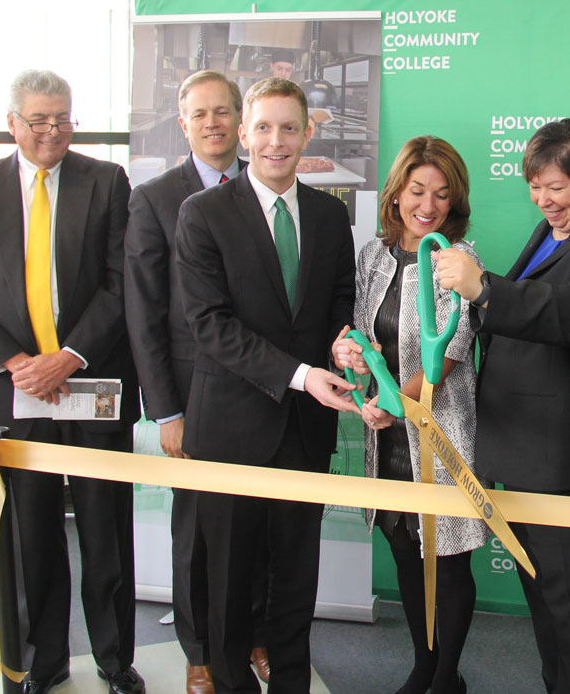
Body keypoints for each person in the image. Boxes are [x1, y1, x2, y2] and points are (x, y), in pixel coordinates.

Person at [436, 118, 570, 693]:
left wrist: (484, 287)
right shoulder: (555, 230)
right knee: (557, 623)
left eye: (557, 188)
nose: (544, 200)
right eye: (536, 187)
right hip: (539, 466)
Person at [174, 77, 358, 693]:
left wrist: (345, 349)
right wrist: (303, 376)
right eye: (263, 128)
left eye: (288, 128)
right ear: (243, 133)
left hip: (305, 432)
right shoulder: (202, 214)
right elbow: (210, 327)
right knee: (227, 583)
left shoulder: (332, 215)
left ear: (308, 133)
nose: (275, 142)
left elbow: (338, 309)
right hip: (229, 431)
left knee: (294, 584)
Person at [0, 69, 144, 694]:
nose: (53, 131)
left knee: (106, 531)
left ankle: (113, 659)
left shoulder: (106, 181)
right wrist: (15, 361)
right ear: (12, 122)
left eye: (64, 118)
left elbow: (118, 280)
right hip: (11, 388)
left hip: (90, 382)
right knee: (27, 535)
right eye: (40, 120)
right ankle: (39, 664)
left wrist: (68, 356)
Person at [125, 70, 273, 692]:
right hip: (193, 395)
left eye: (223, 112)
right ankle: (201, 651)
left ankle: (255, 636)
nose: (212, 123)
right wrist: (166, 411)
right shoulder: (157, 197)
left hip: (264, 391)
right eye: (200, 114)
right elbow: (144, 311)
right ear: (182, 123)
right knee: (198, 532)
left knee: (260, 525)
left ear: (239, 122)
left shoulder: (268, 187)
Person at [331, 136, 486, 694]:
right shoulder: (373, 254)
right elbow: (361, 336)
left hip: (442, 433)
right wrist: (347, 356)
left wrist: (395, 404)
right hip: (387, 439)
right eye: (417, 190)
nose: (428, 205)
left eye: (442, 194)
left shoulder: (460, 261)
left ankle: (447, 679)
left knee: (447, 561)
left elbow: (447, 355)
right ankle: (424, 665)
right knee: (402, 547)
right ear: (395, 193)